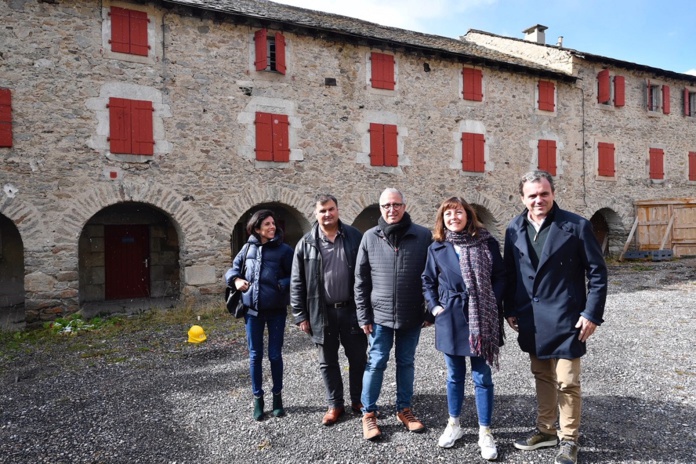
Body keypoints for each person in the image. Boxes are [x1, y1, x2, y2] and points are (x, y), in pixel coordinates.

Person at [503, 170, 608, 464]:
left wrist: (592, 314)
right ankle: (546, 430)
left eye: (544, 193)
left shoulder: (575, 225)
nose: (539, 199)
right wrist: (509, 308)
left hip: (567, 317)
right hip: (531, 318)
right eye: (532, 195)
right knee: (541, 375)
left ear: (553, 193)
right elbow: (510, 273)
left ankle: (569, 439)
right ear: (523, 198)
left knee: (567, 381)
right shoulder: (514, 228)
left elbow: (598, 273)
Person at [421, 197, 505, 460]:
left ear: (468, 215)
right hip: (450, 316)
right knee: (454, 375)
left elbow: (502, 276)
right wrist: (435, 308)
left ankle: (485, 431)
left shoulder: (487, 242)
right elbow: (427, 280)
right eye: (448, 214)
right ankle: (454, 424)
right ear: (442, 219)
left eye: (458, 212)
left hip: (482, 316)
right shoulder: (437, 247)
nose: (453, 218)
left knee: (482, 377)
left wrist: (490, 298)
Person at [354, 188, 433, 441]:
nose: (392, 210)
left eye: (396, 205)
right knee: (376, 363)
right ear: (380, 208)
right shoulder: (369, 237)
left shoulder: (422, 236)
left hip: (412, 314)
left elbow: (433, 276)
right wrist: (363, 315)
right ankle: (369, 413)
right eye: (387, 205)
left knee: (406, 362)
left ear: (404, 206)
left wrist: (430, 310)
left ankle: (404, 409)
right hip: (380, 316)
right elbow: (361, 280)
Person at [291, 194, 367, 426]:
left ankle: (359, 401)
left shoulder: (355, 237)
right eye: (322, 210)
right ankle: (335, 404)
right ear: (316, 214)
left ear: (337, 210)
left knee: (358, 358)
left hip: (352, 310)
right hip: (321, 313)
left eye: (331, 209)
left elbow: (367, 273)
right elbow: (297, 281)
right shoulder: (305, 243)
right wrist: (300, 315)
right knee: (327, 361)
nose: (327, 214)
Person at [225, 209, 294, 421]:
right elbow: (231, 270)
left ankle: (277, 398)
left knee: (274, 355)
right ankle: (258, 399)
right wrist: (236, 280)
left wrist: (281, 284)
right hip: (252, 312)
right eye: (267, 225)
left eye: (273, 223)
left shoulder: (284, 250)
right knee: (255, 356)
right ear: (257, 228)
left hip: (276, 312)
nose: (272, 227)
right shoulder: (247, 249)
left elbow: (296, 276)